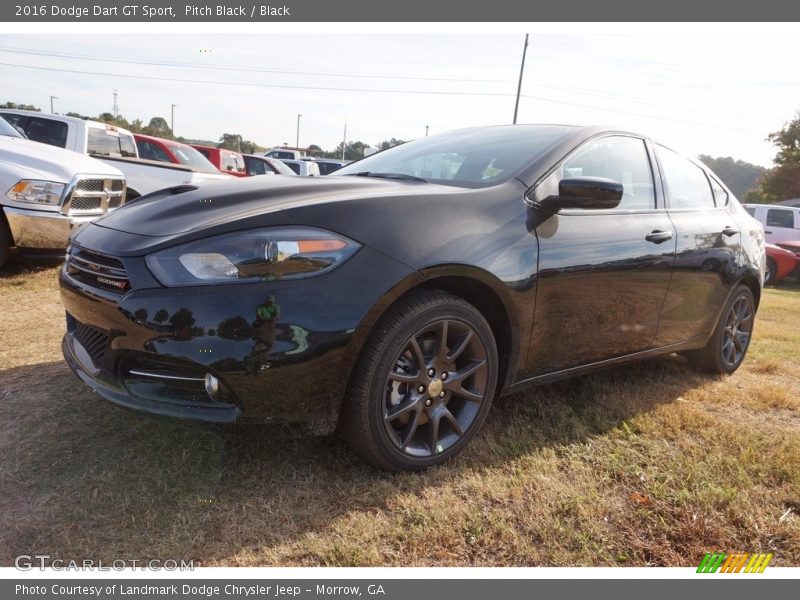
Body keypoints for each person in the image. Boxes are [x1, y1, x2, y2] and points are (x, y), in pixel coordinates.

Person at [245, 295, 280, 373]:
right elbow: (258, 316)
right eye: (268, 302)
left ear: (273, 302)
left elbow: (276, 316)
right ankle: (252, 368)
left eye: (271, 302)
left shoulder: (276, 307)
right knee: (256, 351)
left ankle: (260, 368)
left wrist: (273, 319)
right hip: (260, 330)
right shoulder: (260, 307)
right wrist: (264, 319)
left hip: (270, 332)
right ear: (265, 301)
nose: (269, 303)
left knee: (266, 352)